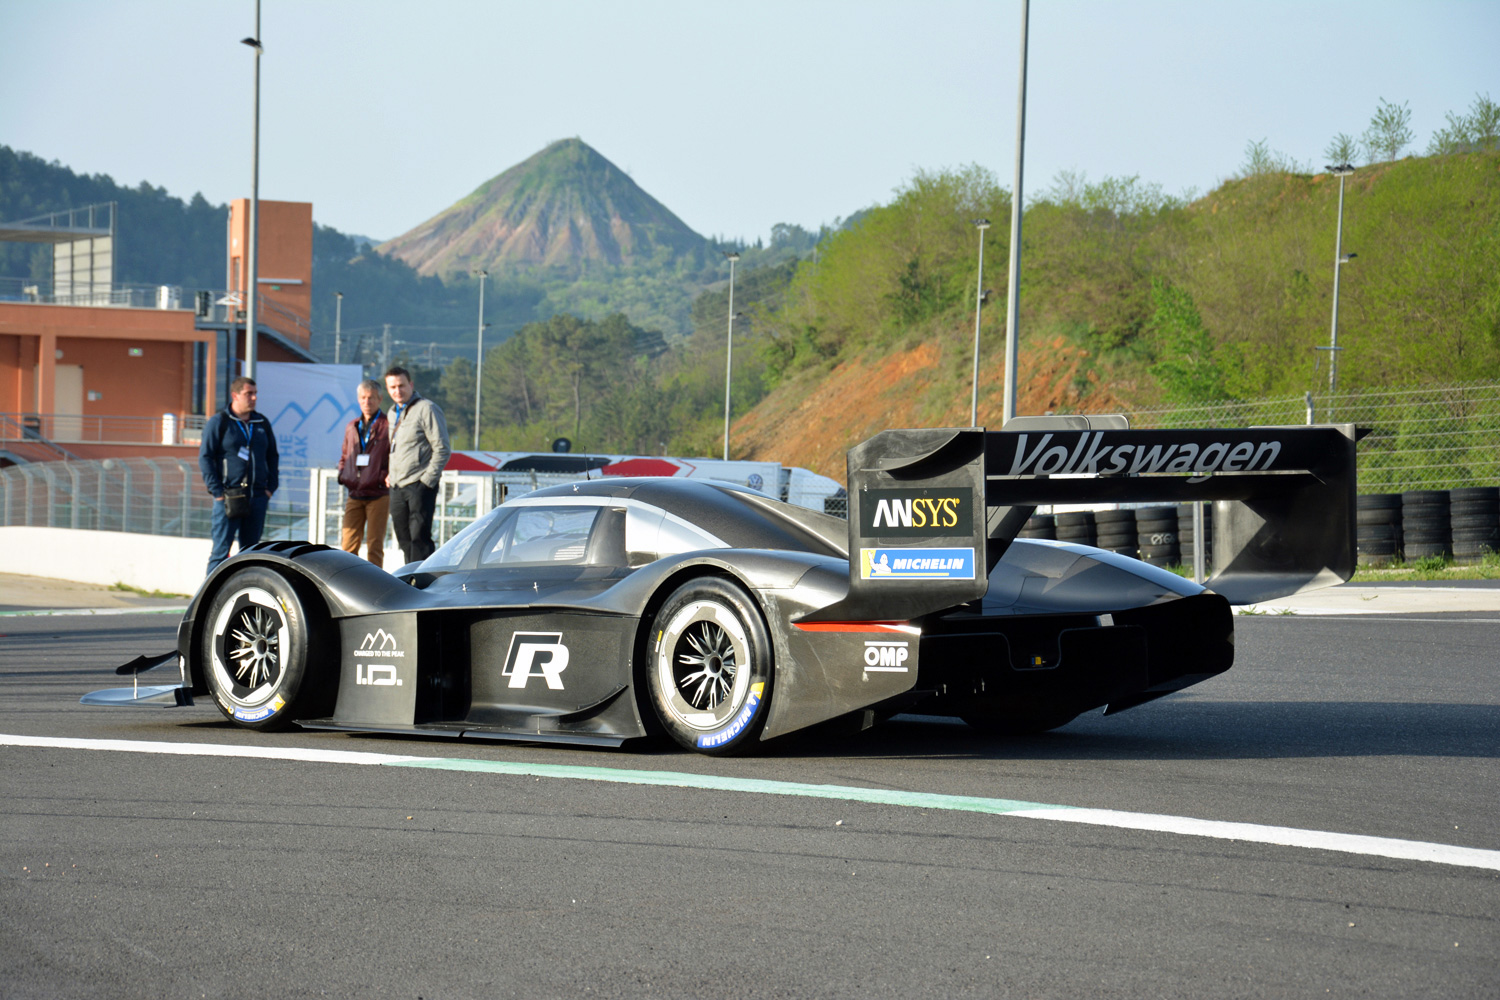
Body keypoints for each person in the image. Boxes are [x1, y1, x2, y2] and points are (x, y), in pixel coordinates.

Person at [199, 375, 279, 575]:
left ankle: (245, 595)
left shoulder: (262, 423)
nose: (253, 398)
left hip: (257, 496)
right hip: (229, 497)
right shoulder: (220, 422)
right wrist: (217, 491)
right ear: (235, 395)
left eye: (255, 394)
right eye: (248, 394)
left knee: (251, 554)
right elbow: (205, 457)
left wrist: (270, 488)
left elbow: (272, 456)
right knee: (220, 553)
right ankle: (208, 602)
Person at [384, 365, 451, 564]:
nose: (397, 391)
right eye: (392, 387)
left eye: (401, 385)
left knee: (419, 539)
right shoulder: (391, 413)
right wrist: (390, 474)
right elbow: (397, 449)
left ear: (411, 384)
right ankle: (409, 581)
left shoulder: (426, 409)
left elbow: (442, 448)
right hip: (397, 486)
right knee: (403, 539)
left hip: (419, 485)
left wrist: (427, 481)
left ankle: (423, 585)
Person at [336, 377, 391, 567]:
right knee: (348, 545)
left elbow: (394, 455)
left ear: (380, 399)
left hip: (378, 493)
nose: (367, 402)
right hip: (354, 492)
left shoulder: (388, 425)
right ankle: (347, 584)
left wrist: (384, 476)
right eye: (363, 398)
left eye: (371, 398)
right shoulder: (352, 426)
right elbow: (345, 454)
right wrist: (343, 474)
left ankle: (376, 586)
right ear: (358, 399)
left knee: (375, 545)